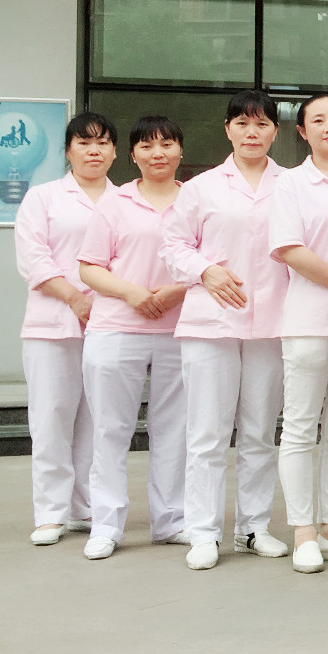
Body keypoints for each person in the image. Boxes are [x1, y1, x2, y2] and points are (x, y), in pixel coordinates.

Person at [161, 90, 290, 570]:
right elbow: (173, 246)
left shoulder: (291, 184)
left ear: (275, 131)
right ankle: (203, 532)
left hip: (272, 322)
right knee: (208, 433)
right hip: (211, 322)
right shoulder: (201, 187)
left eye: (261, 124)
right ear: (227, 129)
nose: (251, 132)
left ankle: (254, 527)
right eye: (242, 123)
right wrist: (205, 271)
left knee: (260, 431)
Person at [76, 115, 189, 559]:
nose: (157, 153)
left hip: (180, 329)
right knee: (110, 429)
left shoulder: (195, 200)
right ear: (133, 154)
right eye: (146, 146)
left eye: (166, 144)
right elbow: (89, 267)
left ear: (180, 150)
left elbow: (212, 260)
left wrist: (176, 291)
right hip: (116, 329)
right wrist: (131, 293)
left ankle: (171, 521)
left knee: (175, 430)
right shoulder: (115, 202)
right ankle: (106, 524)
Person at [14, 112, 119, 546]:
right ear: (68, 151)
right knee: (52, 416)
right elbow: (33, 258)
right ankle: (51, 512)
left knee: (98, 419)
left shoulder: (125, 199)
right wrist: (74, 298)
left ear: (115, 152)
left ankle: (88, 507)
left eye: (102, 143)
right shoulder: (43, 198)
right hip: (52, 323)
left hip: (109, 322)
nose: (94, 151)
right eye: (84, 143)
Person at [269, 94, 328, 574]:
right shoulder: (291, 183)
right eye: (317, 120)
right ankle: (303, 530)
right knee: (301, 427)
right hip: (309, 320)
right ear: (302, 131)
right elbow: (290, 249)